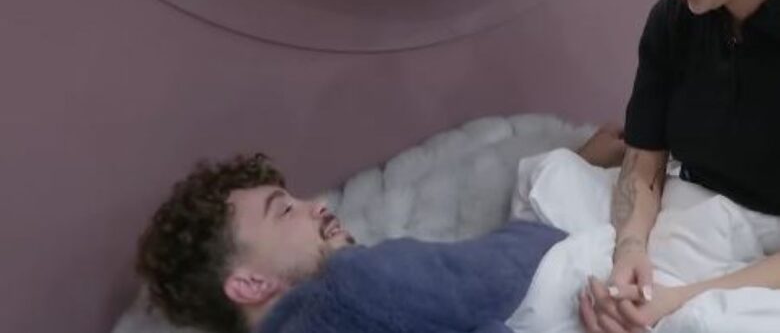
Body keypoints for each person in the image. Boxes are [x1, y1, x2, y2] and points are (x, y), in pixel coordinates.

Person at [580, 0, 780, 333]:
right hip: (695, 214)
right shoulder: (673, 23)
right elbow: (645, 160)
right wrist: (630, 250)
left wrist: (677, 300)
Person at [135, 127, 625, 333]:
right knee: (550, 180)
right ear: (249, 283)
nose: (318, 206)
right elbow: (500, 272)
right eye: (283, 211)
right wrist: (570, 168)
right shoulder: (353, 284)